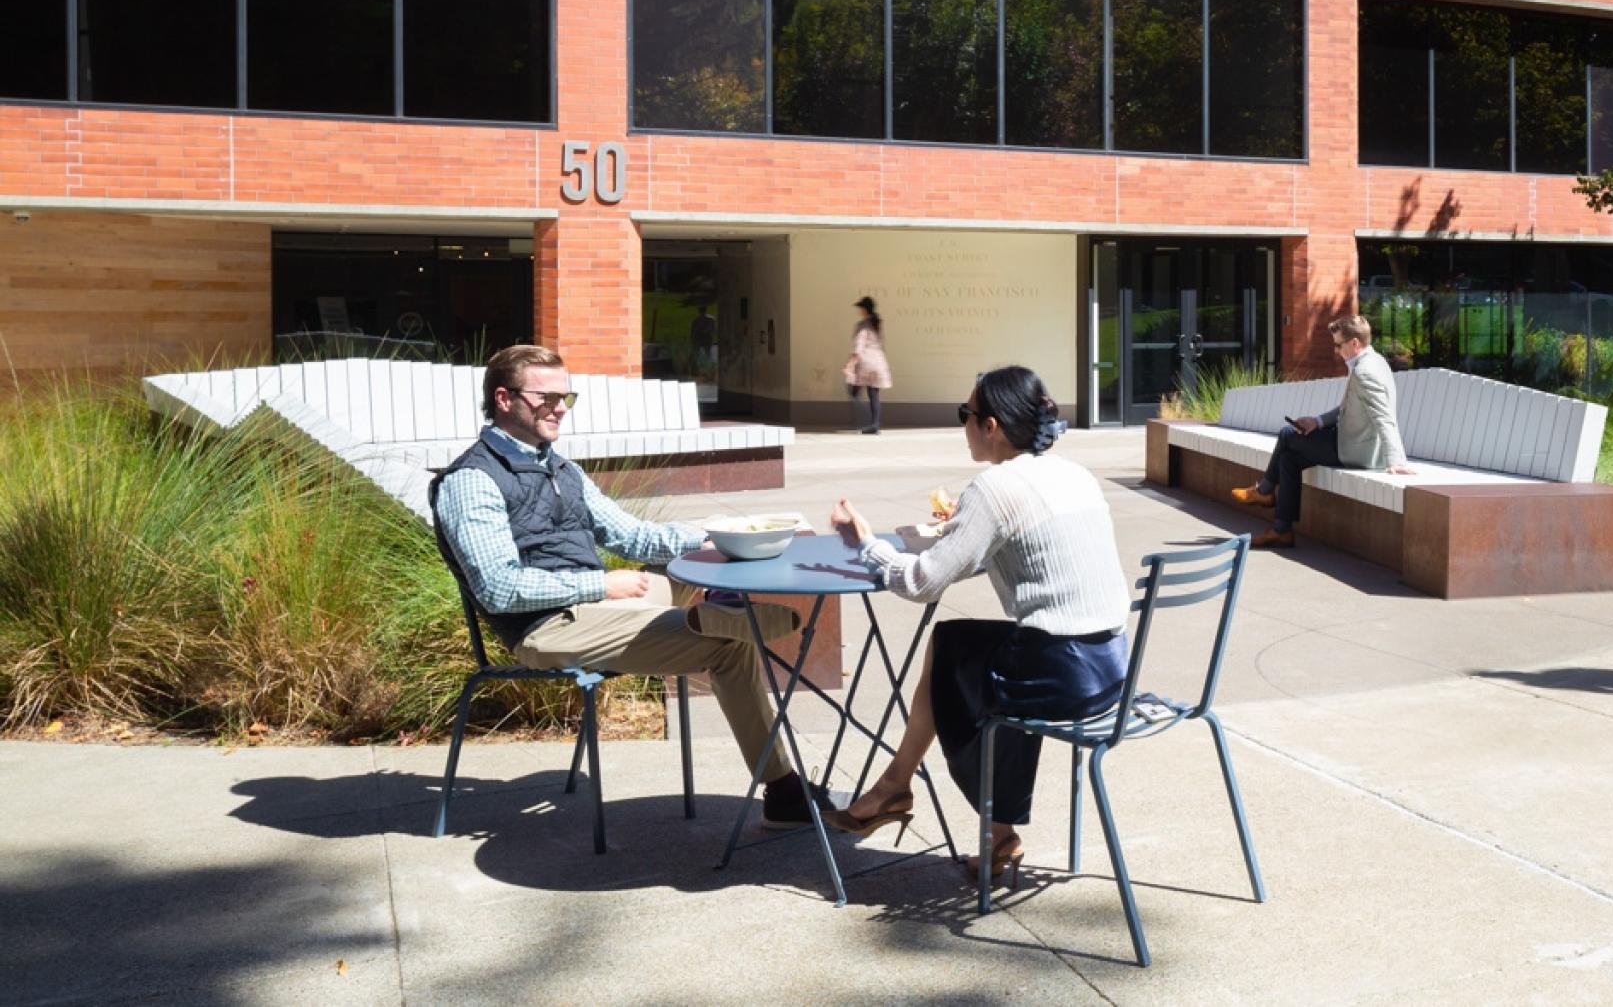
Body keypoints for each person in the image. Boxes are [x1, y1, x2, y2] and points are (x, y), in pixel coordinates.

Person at [431, 345, 833, 827]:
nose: (560, 409)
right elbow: (499, 589)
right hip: (547, 627)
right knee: (729, 648)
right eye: (548, 398)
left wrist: (719, 537)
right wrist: (599, 585)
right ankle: (783, 792)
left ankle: (718, 605)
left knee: (690, 569)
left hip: (598, 609)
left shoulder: (559, 468)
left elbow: (633, 535)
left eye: (567, 398)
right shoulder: (473, 480)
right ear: (503, 398)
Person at [824, 366, 1128, 885]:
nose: (961, 424)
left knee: (954, 651)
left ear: (991, 426)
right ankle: (966, 818)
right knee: (963, 643)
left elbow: (921, 585)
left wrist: (867, 545)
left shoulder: (993, 488)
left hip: (1061, 676)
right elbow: (1027, 553)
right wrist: (957, 540)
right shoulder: (1074, 474)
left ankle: (904, 790)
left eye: (965, 415)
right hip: (1112, 667)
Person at [1230, 314, 1416, 550]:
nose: (1336, 351)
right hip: (1349, 439)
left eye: (1339, 345)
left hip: (1356, 451)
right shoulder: (1372, 361)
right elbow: (1347, 407)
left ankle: (1265, 491)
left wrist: (1396, 460)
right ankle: (1281, 530)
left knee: (1287, 434)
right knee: (1289, 459)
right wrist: (1317, 422)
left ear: (1354, 344)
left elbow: (1384, 417)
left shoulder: (1365, 372)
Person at [844, 296, 893, 434]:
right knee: (874, 394)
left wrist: (850, 364)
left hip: (867, 363)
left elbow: (858, 347)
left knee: (853, 391)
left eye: (860, 308)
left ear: (864, 309)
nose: (859, 310)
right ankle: (874, 423)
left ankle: (864, 419)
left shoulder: (862, 326)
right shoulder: (877, 323)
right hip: (878, 362)